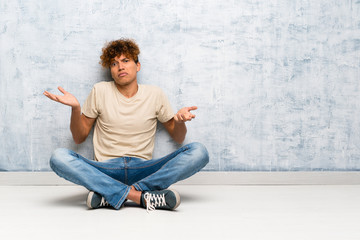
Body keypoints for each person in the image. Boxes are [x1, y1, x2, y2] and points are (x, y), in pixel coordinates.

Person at [43, 38, 209, 212]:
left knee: (199, 151)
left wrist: (179, 122)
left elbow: (179, 136)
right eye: (114, 64)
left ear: (137, 66)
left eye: (125, 61)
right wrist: (76, 109)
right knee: (58, 157)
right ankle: (140, 196)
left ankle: (110, 194)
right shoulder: (100, 90)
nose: (120, 67)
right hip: (106, 169)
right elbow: (78, 137)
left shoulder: (155, 94)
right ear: (111, 70)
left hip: (144, 168)